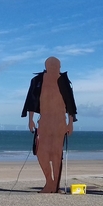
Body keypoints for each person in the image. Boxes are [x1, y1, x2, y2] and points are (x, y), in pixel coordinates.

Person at [21, 57, 77, 193]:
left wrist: (70, 123)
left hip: (59, 122)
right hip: (44, 121)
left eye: (56, 65)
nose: (54, 67)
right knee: (41, 153)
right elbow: (32, 100)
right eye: (51, 65)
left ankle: (55, 186)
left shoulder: (63, 81)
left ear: (59, 66)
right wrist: (31, 119)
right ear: (46, 66)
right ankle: (50, 182)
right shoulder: (38, 81)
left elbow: (70, 103)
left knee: (57, 154)